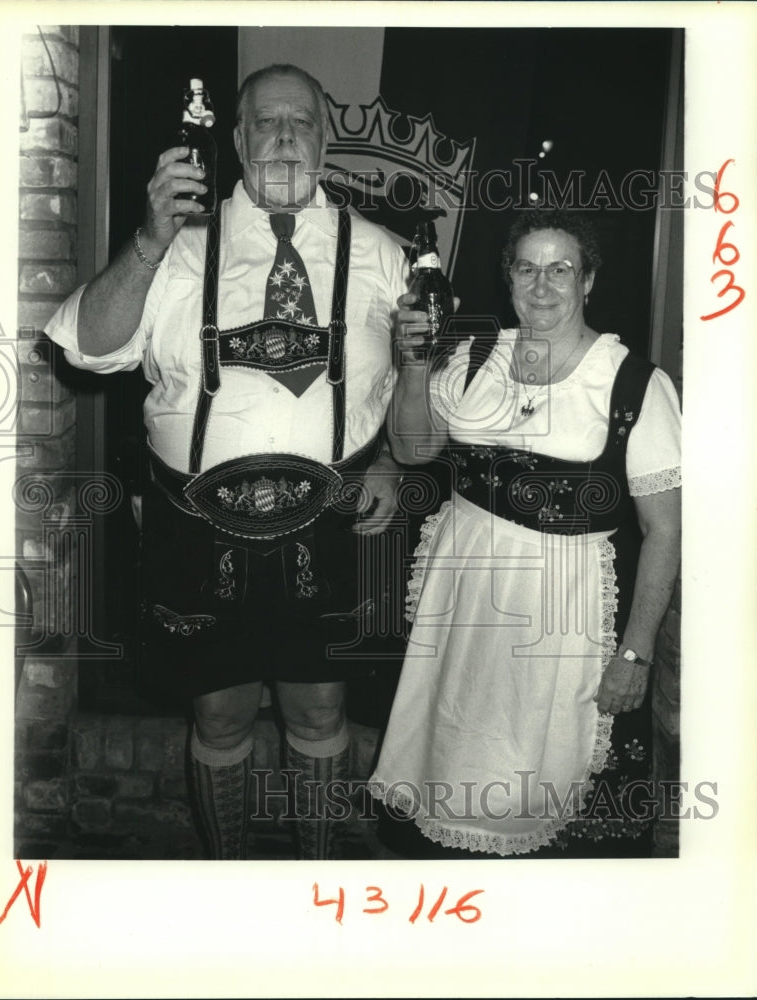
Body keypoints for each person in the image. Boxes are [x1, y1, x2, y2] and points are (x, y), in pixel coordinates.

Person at [45, 64, 409, 860]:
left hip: (328, 527)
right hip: (195, 525)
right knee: (219, 715)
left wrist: (390, 461)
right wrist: (146, 240)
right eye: (266, 123)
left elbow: (415, 381)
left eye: (301, 122)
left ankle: (314, 879)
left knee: (319, 711)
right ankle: (232, 879)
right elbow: (87, 346)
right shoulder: (176, 250)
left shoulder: (382, 253)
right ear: (237, 140)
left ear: (325, 138)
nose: (284, 136)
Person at [369, 208, 682, 858]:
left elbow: (665, 531)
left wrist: (635, 653)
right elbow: (414, 447)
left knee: (540, 781)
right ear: (507, 278)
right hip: (462, 609)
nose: (542, 285)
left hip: (560, 615)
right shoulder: (475, 355)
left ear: (588, 280)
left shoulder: (633, 385)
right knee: (453, 753)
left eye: (560, 269)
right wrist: (415, 366)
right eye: (527, 268)